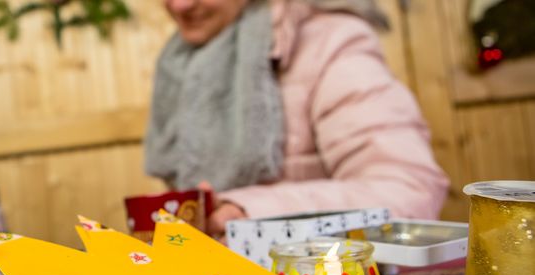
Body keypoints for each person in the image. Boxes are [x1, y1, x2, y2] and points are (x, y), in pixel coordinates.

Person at [144, 0, 449, 239]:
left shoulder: (329, 43)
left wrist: (249, 211)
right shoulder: (179, 65)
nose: (179, 5)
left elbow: (409, 190)